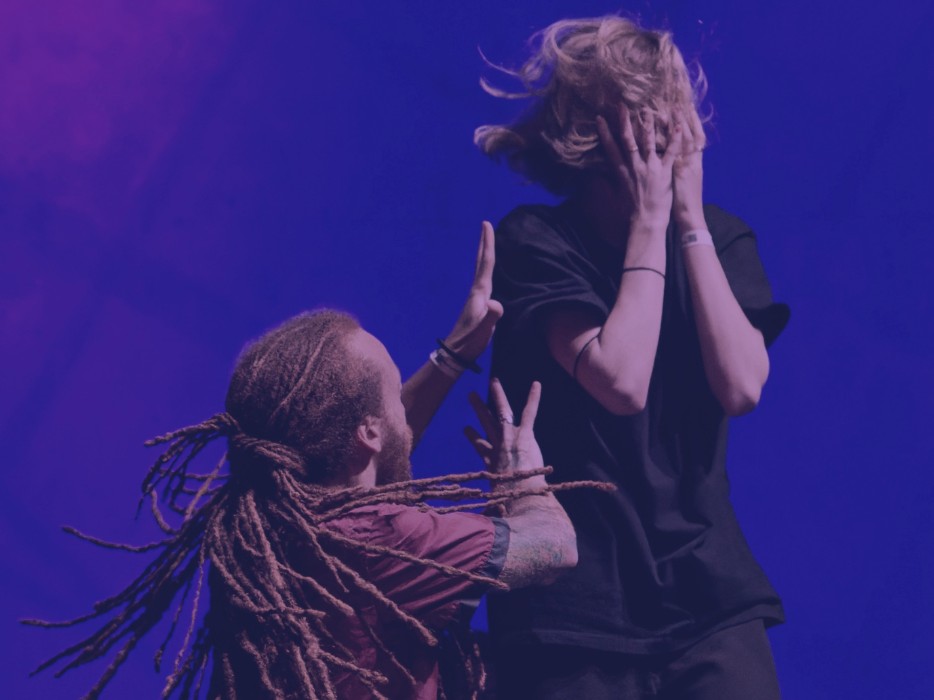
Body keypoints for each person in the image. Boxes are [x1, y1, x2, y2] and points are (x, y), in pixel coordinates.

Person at [24, 225, 594, 699]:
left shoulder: (261, 529)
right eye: (396, 396)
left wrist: (449, 358)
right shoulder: (384, 538)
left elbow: (377, 443)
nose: (404, 407)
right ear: (367, 431)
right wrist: (523, 478)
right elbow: (556, 547)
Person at [475, 16, 790, 699]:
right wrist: (650, 222)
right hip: (574, 607)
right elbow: (621, 379)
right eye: (644, 124)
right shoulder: (537, 240)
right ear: (598, 135)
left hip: (708, 596)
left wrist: (689, 223)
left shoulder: (722, 239)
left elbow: (742, 386)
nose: (663, 139)